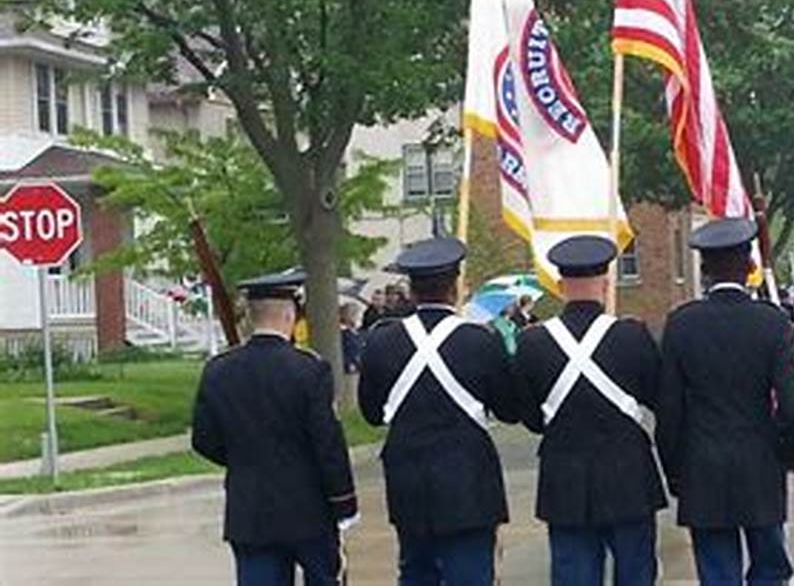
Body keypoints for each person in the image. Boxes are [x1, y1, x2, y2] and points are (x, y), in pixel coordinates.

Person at [358, 238, 523, 584]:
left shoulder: (381, 341)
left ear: (413, 291)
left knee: (416, 573)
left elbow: (372, 413)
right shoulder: (480, 341)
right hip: (469, 481)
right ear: (455, 287)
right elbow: (510, 409)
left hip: (409, 480)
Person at [657, 218, 794, 585]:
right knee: (771, 568)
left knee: (716, 572)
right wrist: (793, 453)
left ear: (705, 270)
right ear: (750, 267)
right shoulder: (772, 323)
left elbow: (669, 410)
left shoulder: (681, 324)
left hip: (701, 464)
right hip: (760, 463)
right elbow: (792, 406)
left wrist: (675, 470)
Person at [514, 235, 666, 586]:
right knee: (636, 573)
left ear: (561, 284)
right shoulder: (632, 335)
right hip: (628, 474)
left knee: (573, 575)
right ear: (606, 281)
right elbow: (659, 398)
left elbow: (532, 418)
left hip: (565, 477)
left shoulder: (533, 342)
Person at [192, 268, 358, 586]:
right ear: (289, 315)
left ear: (253, 317)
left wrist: (244, 459)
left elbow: (204, 439)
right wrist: (344, 502)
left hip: (250, 511)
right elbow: (327, 445)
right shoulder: (309, 370)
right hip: (308, 511)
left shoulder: (218, 371)